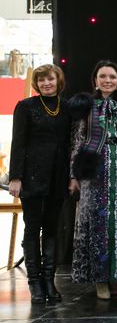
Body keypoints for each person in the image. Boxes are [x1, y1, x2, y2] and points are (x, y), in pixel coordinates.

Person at [68, 60, 117, 300]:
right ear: (95, 80)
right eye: (103, 76)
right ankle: (100, 279)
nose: (108, 80)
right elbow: (78, 141)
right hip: (94, 172)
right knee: (97, 225)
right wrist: (74, 176)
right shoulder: (85, 106)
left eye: (112, 77)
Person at [9, 64, 71, 303]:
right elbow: (18, 142)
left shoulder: (67, 107)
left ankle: (49, 280)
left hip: (58, 175)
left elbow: (71, 142)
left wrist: (72, 176)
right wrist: (16, 177)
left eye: (50, 79)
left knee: (52, 228)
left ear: (58, 81)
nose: (46, 83)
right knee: (33, 227)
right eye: (42, 80)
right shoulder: (26, 106)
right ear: (37, 83)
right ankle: (34, 282)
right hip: (32, 174)